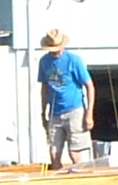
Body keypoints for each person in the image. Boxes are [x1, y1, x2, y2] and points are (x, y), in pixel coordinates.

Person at [37, 31, 91, 165]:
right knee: (54, 154)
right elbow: (45, 88)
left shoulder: (74, 60)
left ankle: (80, 175)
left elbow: (90, 86)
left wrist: (89, 114)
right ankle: (57, 175)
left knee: (74, 153)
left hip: (75, 110)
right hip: (55, 112)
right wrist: (43, 113)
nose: (55, 52)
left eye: (57, 49)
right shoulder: (44, 62)